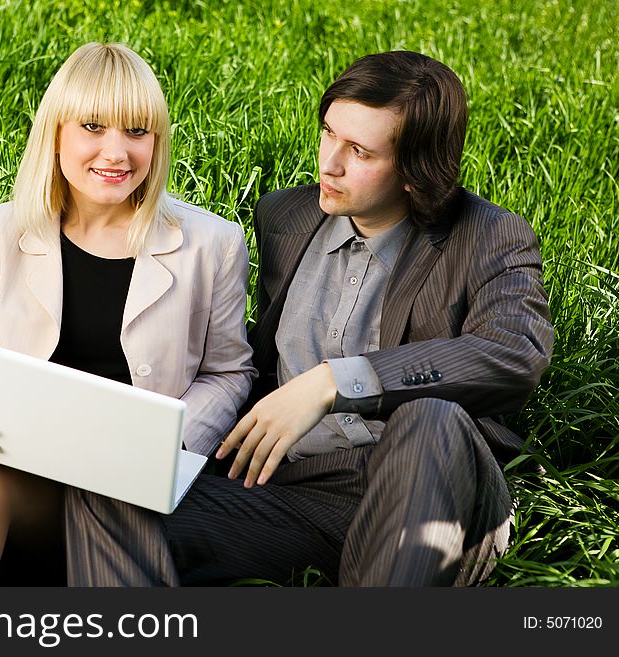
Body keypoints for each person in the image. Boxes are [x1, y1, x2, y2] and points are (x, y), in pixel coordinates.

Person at [62, 50, 554, 586]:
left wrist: (334, 382)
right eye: (328, 134)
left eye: (360, 152)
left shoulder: (487, 237)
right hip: (287, 491)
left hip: (423, 480)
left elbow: (514, 354)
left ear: (417, 169)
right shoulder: (287, 217)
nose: (330, 163)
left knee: (430, 416)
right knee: (110, 478)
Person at [0, 42, 256, 587]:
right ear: (55, 132)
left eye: (137, 131)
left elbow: (229, 372)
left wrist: (162, 442)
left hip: (123, 493)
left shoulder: (211, 243)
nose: (117, 152)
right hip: (21, 472)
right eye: (94, 126)